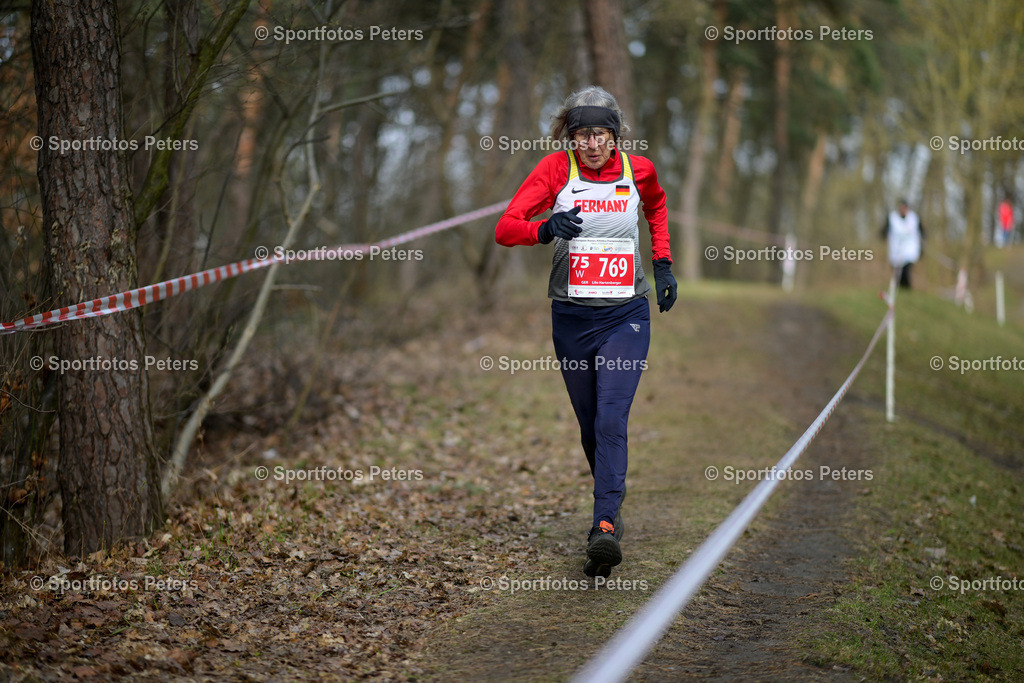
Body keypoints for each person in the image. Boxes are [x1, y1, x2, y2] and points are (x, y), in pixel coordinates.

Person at [494, 86, 676, 578]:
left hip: (626, 315)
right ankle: (612, 494)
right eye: (579, 135)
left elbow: (656, 209)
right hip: (572, 318)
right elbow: (506, 227)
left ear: (616, 134)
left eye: (598, 133)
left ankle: (604, 525)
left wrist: (662, 264)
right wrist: (545, 229)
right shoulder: (555, 170)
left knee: (612, 418)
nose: (590, 144)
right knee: (590, 422)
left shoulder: (640, 170)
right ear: (568, 137)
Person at [881, 199, 925, 289]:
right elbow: (884, 230)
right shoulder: (892, 218)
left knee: (906, 270)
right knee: (896, 271)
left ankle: (907, 288)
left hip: (910, 249)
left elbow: (922, 232)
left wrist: (922, 247)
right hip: (896, 250)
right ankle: (899, 288)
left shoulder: (914, 218)